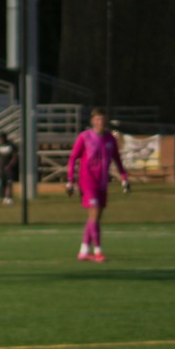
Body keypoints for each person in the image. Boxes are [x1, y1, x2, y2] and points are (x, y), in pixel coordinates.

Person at [65, 108, 130, 262]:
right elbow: (73, 157)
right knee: (94, 214)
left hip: (102, 182)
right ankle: (98, 251)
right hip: (87, 181)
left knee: (95, 217)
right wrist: (70, 180)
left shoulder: (110, 139)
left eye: (103, 119)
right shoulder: (85, 137)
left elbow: (117, 159)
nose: (101, 122)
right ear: (93, 121)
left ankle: (84, 251)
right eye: (98, 119)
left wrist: (124, 177)